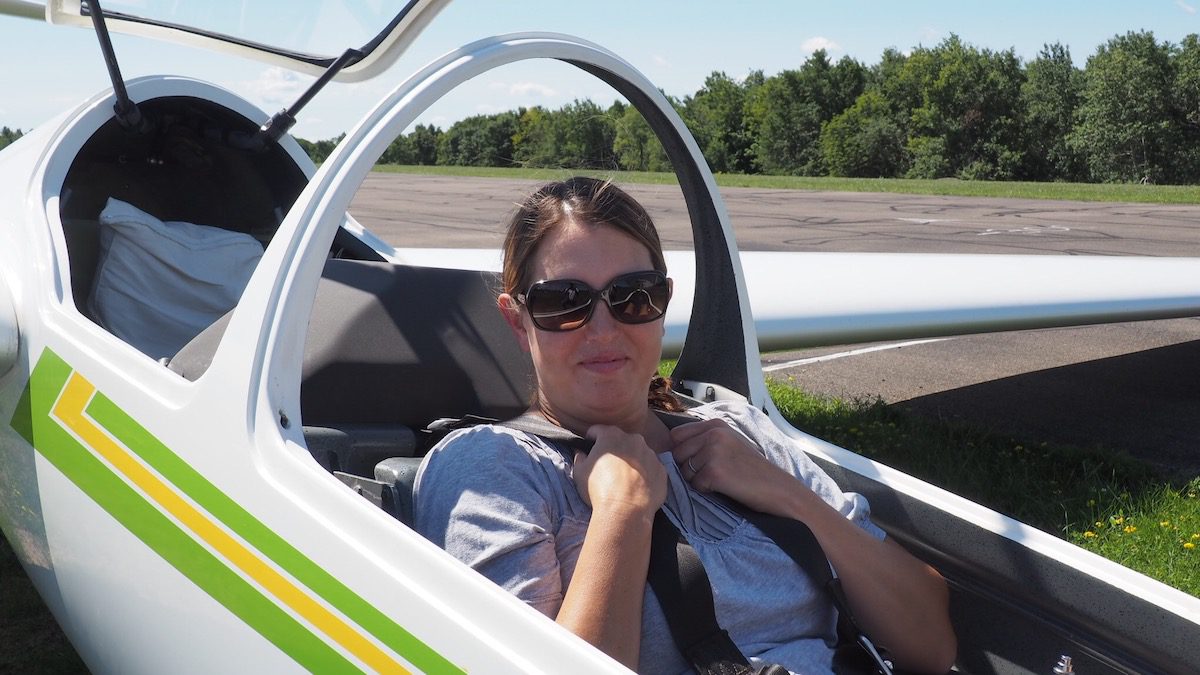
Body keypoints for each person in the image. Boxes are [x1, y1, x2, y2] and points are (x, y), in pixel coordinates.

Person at [413, 176, 956, 674]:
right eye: (564, 303)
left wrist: (788, 495)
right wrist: (622, 515)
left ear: (662, 303)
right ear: (518, 320)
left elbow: (931, 645)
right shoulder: (495, 465)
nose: (603, 329)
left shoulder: (738, 430)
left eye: (634, 297)